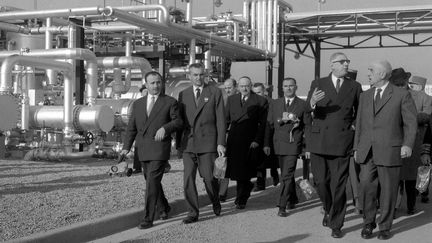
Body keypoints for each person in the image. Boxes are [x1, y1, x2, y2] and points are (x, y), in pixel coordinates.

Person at [354, 60, 417, 240]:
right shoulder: (365, 96)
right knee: (366, 185)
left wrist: (407, 144)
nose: (368, 74)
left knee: (389, 190)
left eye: (371, 70)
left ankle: (385, 226)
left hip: (390, 150)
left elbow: (410, 123)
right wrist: (357, 147)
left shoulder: (401, 94)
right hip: (367, 150)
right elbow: (359, 124)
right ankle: (368, 222)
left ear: (382, 74)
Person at [305, 52, 362, 238]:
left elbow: (359, 113)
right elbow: (306, 110)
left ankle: (337, 223)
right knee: (321, 182)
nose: (346, 64)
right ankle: (329, 208)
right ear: (332, 65)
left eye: (348, 61)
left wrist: (353, 126)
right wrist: (312, 103)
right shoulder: (318, 83)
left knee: (339, 184)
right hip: (319, 140)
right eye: (342, 62)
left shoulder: (354, 86)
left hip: (342, 140)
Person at [120, 71, 183, 229]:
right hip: (143, 149)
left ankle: (148, 217)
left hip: (159, 148)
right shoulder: (139, 103)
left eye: (158, 82)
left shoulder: (170, 102)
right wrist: (125, 148)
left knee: (152, 183)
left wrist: (165, 128)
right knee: (151, 181)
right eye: (153, 83)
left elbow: (178, 122)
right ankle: (164, 207)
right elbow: (131, 128)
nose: (156, 86)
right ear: (146, 85)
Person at [176, 63, 226, 224]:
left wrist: (220, 143)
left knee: (209, 178)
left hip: (208, 143)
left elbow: (220, 120)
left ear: (205, 75)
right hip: (189, 144)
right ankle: (192, 213)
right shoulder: (183, 94)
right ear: (189, 76)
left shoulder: (214, 92)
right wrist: (178, 145)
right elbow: (180, 121)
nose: (198, 78)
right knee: (188, 179)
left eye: (201, 75)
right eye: (195, 75)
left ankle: (215, 201)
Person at [264, 78, 310, 217]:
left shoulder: (303, 104)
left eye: (291, 86)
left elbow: (308, 126)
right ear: (281, 88)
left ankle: (282, 205)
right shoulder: (275, 103)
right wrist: (266, 143)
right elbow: (269, 125)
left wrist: (307, 147)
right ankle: (293, 197)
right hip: (278, 143)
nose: (288, 88)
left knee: (287, 174)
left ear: (296, 87)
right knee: (286, 173)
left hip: (293, 144)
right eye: (285, 86)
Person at [389, 69, 432, 215]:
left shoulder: (422, 97)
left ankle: (411, 206)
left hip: (413, 140)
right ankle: (394, 207)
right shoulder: (390, 95)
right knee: (396, 178)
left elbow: (427, 117)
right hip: (394, 140)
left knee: (411, 178)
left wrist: (407, 118)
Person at [225, 76, 268, 209]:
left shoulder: (260, 101)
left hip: (250, 140)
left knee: (245, 171)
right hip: (234, 139)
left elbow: (263, 124)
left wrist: (257, 140)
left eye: (247, 86)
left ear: (251, 86)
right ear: (238, 87)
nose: (244, 88)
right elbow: (226, 119)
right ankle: (243, 192)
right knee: (237, 171)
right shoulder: (231, 99)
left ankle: (241, 198)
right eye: (242, 86)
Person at [253, 82, 279, 190]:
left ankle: (275, 175)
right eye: (255, 93)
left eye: (259, 92)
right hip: (258, 134)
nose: (257, 95)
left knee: (271, 158)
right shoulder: (253, 103)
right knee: (259, 160)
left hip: (271, 134)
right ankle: (260, 183)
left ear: (264, 92)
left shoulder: (272, 103)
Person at [409, 75, 432, 204]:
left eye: (412, 85)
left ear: (420, 86)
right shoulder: (406, 96)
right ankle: (418, 190)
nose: (410, 87)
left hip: (422, 135)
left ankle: (423, 191)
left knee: (424, 165)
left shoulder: (428, 99)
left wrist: (409, 118)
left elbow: (427, 116)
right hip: (413, 135)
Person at [218, 78, 238, 202]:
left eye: (229, 87)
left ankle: (224, 191)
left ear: (235, 87)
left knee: (231, 165)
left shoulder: (239, 99)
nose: (227, 90)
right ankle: (221, 192)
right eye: (225, 88)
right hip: (224, 135)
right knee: (223, 163)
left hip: (236, 136)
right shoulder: (223, 100)